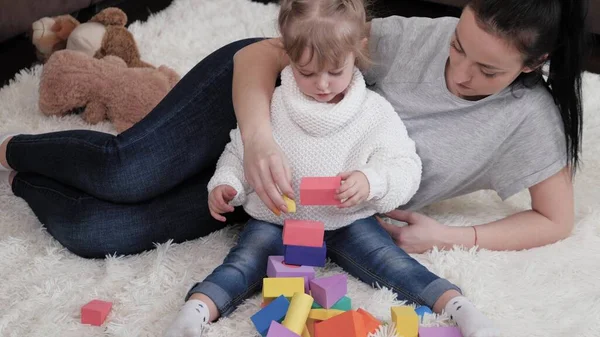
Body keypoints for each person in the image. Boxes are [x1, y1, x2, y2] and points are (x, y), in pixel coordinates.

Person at [0, 0, 586, 283]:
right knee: (127, 173)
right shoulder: (417, 37)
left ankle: (27, 182)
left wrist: (453, 236)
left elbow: (554, 221)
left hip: (279, 199)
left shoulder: (528, 121)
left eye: (487, 71)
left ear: (534, 64)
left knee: (98, 232)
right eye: (459, 45)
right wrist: (255, 140)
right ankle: (12, 149)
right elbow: (262, 55)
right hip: (254, 106)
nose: (458, 71)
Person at [163, 1, 499, 336]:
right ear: (289, 55)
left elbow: (405, 166)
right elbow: (240, 150)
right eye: (306, 72)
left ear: (358, 51)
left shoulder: (373, 113)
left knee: (392, 262)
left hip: (347, 222)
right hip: (277, 220)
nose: (322, 84)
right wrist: (227, 184)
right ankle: (195, 312)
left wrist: (372, 182)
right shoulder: (275, 105)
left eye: (335, 71)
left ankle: (459, 308)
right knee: (242, 263)